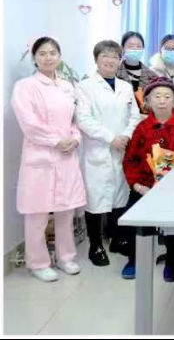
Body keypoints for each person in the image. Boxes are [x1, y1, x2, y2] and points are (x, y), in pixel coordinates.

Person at [11, 37, 86, 282]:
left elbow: (74, 119)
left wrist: (74, 138)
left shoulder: (67, 86)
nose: (48, 57)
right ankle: (38, 263)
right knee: (37, 212)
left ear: (59, 56)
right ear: (34, 58)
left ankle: (66, 257)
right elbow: (29, 123)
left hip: (66, 155)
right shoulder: (25, 87)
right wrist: (56, 141)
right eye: (42, 53)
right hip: (40, 156)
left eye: (53, 52)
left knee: (66, 209)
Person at [121, 77, 174, 282]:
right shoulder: (142, 128)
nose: (162, 101)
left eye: (167, 96)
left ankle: (173, 261)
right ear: (148, 100)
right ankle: (135, 259)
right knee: (133, 215)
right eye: (157, 96)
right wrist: (138, 186)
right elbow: (130, 160)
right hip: (146, 186)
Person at [75, 40, 140, 268]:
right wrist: (110, 137)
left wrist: (126, 136)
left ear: (120, 60)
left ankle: (117, 239)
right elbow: (83, 119)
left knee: (119, 196)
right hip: (98, 149)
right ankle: (95, 246)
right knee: (95, 199)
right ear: (96, 59)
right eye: (105, 56)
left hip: (121, 148)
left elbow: (135, 116)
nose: (110, 60)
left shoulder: (125, 86)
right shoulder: (84, 86)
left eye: (115, 56)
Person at [116, 31, 158, 115]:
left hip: (145, 120)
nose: (135, 49)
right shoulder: (114, 73)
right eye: (131, 46)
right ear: (122, 48)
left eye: (139, 46)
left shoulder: (152, 76)